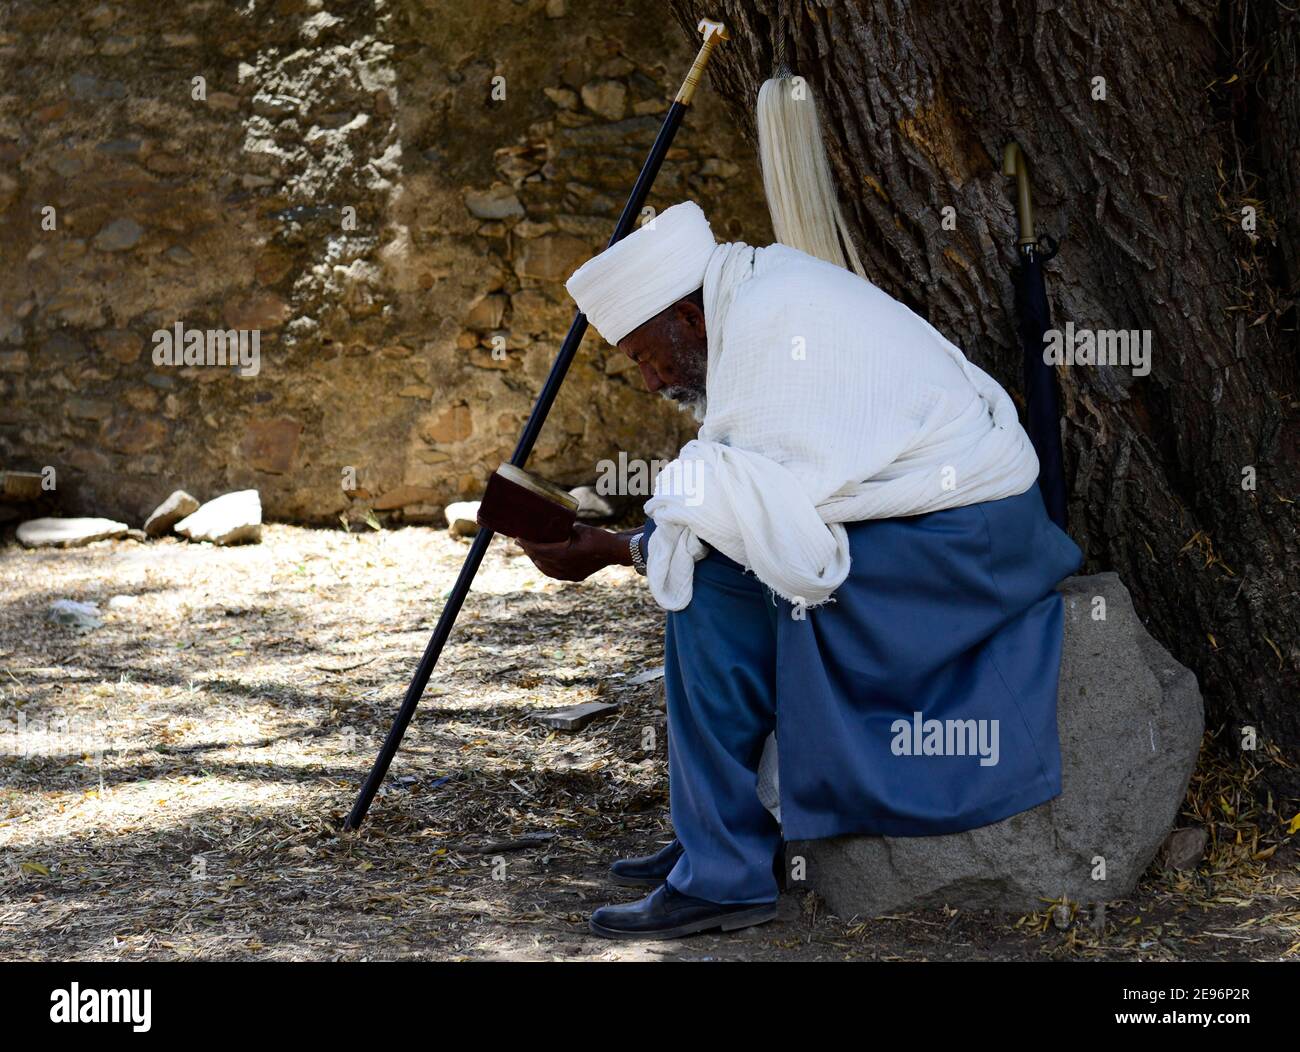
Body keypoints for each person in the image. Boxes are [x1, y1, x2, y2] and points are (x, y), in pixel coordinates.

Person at [517, 201, 1083, 940]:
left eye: (648, 357)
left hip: (966, 545)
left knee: (712, 584)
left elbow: (752, 516)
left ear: (688, 318)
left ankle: (723, 874)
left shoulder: (771, 320)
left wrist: (620, 549)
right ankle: (711, 835)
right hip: (949, 521)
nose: (653, 382)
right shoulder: (757, 290)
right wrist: (637, 542)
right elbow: (749, 494)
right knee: (702, 556)